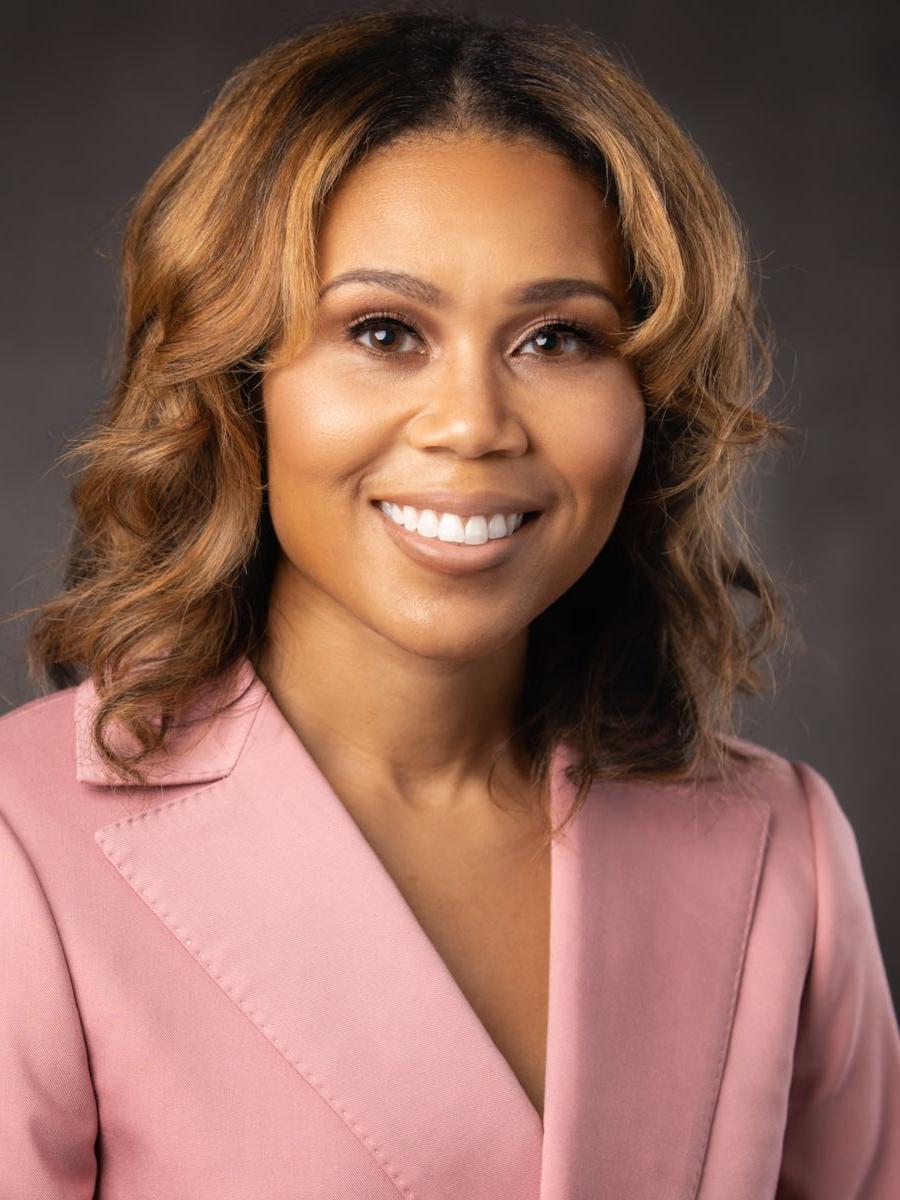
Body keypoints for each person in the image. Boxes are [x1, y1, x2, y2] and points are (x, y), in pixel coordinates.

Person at [1, 5, 898, 1197]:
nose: (474, 422)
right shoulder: (24, 855)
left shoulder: (786, 849)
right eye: (384, 331)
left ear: (653, 404)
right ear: (236, 381)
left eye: (558, 338)